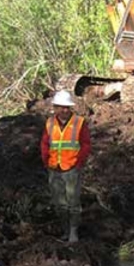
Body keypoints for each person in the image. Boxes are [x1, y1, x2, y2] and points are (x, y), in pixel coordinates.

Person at [40, 90, 91, 243]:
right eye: (61, 107)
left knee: (73, 202)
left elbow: (86, 144)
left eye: (67, 107)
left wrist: (78, 162)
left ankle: (73, 232)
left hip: (72, 168)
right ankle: (65, 230)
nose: (64, 110)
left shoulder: (79, 122)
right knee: (59, 204)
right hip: (54, 167)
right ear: (55, 107)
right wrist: (46, 161)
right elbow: (44, 143)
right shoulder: (49, 123)